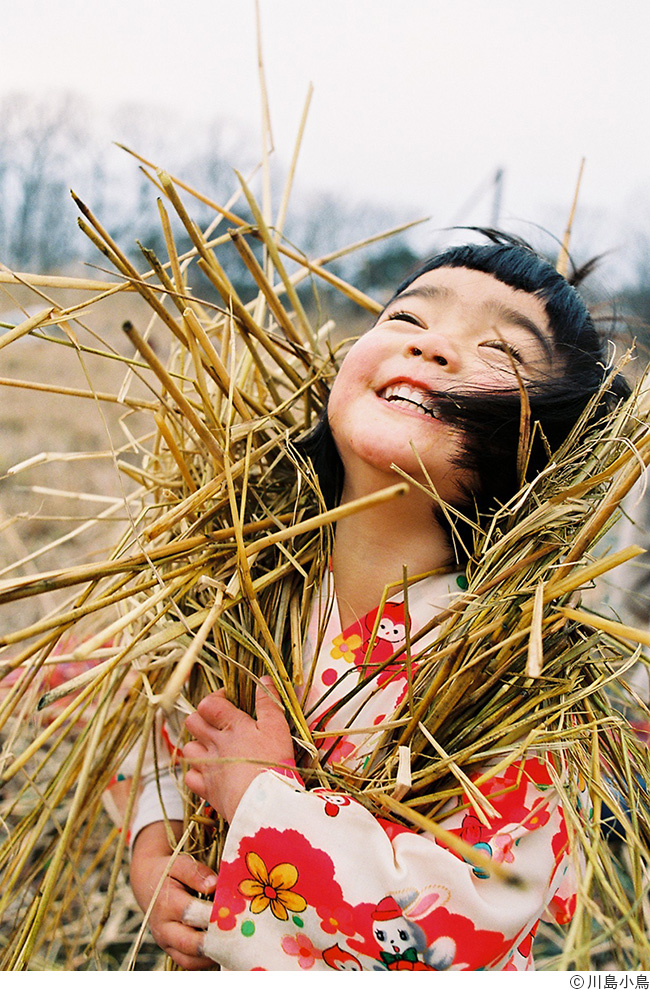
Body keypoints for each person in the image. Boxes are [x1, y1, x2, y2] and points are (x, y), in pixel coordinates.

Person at [123, 233, 630, 971]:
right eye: (408, 320)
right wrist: (158, 850)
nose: (433, 349)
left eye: (501, 352)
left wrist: (265, 805)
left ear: (547, 450)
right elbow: (166, 738)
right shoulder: (249, 580)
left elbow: (475, 918)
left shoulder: (517, 672)